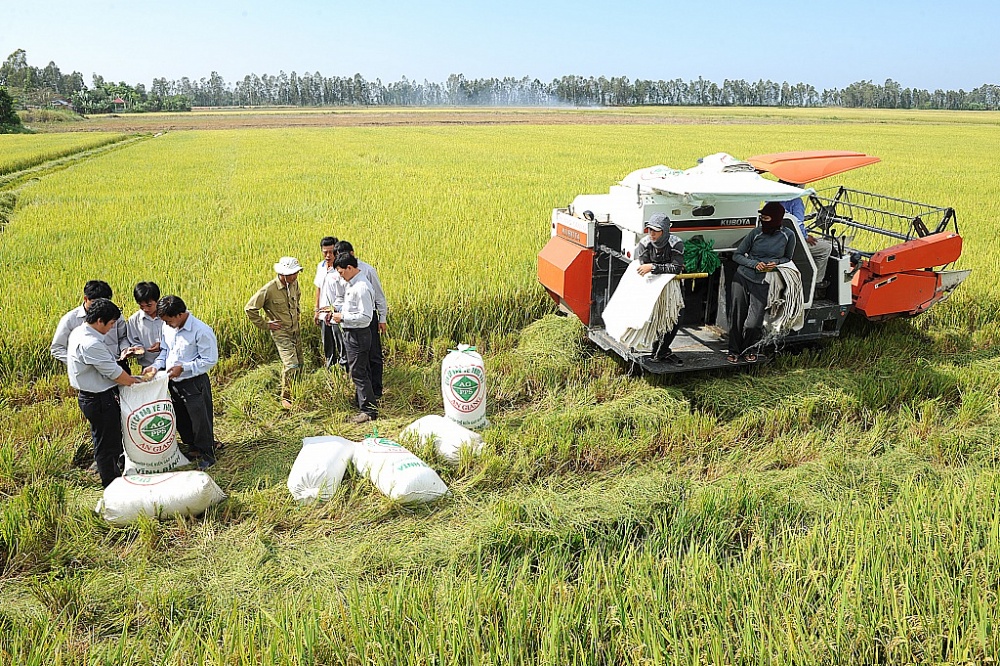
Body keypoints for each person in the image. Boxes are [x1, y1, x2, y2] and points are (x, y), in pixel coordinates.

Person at [66, 298, 143, 487]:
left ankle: (114, 477)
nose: (111, 329)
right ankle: (111, 485)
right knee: (107, 444)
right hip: (99, 399)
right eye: (110, 324)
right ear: (99, 320)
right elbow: (116, 374)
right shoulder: (91, 343)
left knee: (110, 440)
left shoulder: (79, 332)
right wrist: (139, 381)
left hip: (96, 397)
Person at [143, 295, 219, 469]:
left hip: (194, 382)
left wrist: (183, 368)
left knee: (200, 420)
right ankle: (193, 448)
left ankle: (208, 453)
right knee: (181, 417)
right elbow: (165, 350)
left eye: (169, 321)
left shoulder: (201, 331)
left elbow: (209, 360)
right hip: (172, 381)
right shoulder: (167, 327)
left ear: (179, 315)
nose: (167, 324)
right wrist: (156, 366)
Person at [728, 201, 796, 364]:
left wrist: (777, 262)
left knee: (754, 321)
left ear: (776, 219)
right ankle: (734, 350)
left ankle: (749, 349)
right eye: (762, 217)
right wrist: (753, 264)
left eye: (767, 218)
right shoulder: (755, 233)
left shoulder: (788, 235)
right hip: (743, 277)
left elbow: (788, 257)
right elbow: (737, 255)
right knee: (738, 316)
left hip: (764, 281)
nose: (763, 221)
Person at [245, 257, 303, 408]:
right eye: (292, 273)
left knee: (299, 363)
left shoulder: (294, 283)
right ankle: (286, 398)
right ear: (282, 274)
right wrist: (266, 324)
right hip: (281, 332)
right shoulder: (269, 289)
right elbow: (250, 309)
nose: (295, 276)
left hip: (295, 330)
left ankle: (298, 390)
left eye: (296, 273)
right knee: (291, 364)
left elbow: (297, 298)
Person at [332, 240, 387, 399]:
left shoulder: (367, 272)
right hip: (349, 320)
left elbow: (379, 297)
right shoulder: (341, 274)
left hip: (366, 318)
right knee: (359, 363)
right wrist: (339, 312)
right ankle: (365, 395)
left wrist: (382, 318)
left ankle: (375, 392)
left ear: (351, 256)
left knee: (373, 355)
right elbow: (339, 297)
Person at [331, 253, 379, 423]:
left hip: (358, 335)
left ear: (350, 268)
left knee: (359, 372)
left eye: (341, 272)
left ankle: (368, 411)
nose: (340, 276)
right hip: (353, 333)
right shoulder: (353, 284)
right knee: (361, 370)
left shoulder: (362, 288)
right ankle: (365, 402)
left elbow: (366, 317)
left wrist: (342, 318)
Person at [634, 213, 685, 366]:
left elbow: (676, 267)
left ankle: (662, 350)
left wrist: (654, 267)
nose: (652, 234)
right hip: (652, 285)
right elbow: (643, 267)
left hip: (672, 287)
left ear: (664, 231)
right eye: (650, 230)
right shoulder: (644, 243)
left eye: (656, 231)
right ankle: (654, 349)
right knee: (655, 317)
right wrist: (654, 269)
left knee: (675, 317)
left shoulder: (676, 243)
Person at [51, 280, 128, 367]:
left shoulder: (115, 315)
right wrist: (78, 364)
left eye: (105, 303)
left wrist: (124, 350)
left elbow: (123, 337)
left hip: (116, 363)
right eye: (95, 303)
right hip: (89, 369)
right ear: (85, 299)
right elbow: (57, 348)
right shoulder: (70, 319)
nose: (101, 307)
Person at [780, 180, 833, 294]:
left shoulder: (772, 199)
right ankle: (816, 284)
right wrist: (805, 236)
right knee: (825, 248)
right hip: (792, 243)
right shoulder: (795, 201)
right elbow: (797, 223)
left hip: (778, 239)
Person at [313, 236, 347, 371]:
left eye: (331, 252)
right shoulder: (320, 267)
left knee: (341, 343)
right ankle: (331, 369)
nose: (328, 255)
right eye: (325, 252)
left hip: (337, 314)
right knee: (327, 343)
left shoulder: (340, 269)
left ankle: (345, 370)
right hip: (323, 314)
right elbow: (318, 288)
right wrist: (317, 310)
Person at [125, 281, 164, 370]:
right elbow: (134, 341)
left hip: (171, 366)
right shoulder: (134, 320)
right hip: (148, 367)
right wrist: (138, 349)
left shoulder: (168, 316)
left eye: (149, 305)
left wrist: (162, 345)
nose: (145, 309)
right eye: (141, 306)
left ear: (157, 300)